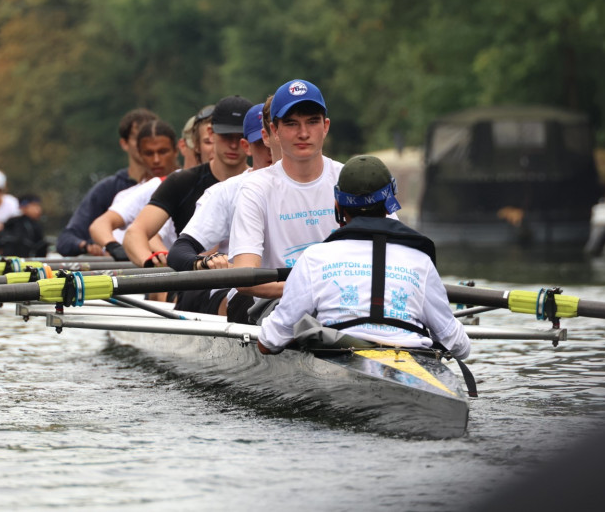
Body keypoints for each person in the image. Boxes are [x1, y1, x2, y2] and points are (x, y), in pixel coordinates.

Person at [257, 155, 471, 360]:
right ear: (389, 204)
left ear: (338, 207)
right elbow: (459, 347)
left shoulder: (314, 258)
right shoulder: (420, 261)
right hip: (412, 357)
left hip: (337, 357)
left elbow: (268, 343)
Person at [227, 79, 344, 320]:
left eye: (312, 122)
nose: (303, 133)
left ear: (326, 126)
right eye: (291, 124)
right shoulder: (256, 188)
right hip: (279, 304)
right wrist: (313, 292)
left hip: (347, 300)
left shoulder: (347, 179)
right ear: (275, 131)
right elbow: (243, 277)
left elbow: (395, 255)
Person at [167, 101, 275, 314]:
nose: (270, 150)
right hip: (232, 288)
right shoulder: (225, 192)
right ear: (249, 147)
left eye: (272, 140)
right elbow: (179, 253)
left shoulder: (326, 181)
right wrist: (205, 263)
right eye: (261, 142)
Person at [123, 96, 253, 268]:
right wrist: (150, 264)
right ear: (211, 133)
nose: (234, 145)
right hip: (193, 281)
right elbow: (135, 233)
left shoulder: (262, 182)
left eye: (241, 137)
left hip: (248, 284)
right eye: (227, 136)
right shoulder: (181, 181)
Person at [55, 108, 158, 257]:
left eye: (150, 139)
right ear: (124, 143)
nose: (146, 146)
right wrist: (87, 246)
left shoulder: (176, 183)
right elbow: (66, 240)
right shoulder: (107, 189)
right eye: (139, 139)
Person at [88, 119, 181, 261]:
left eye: (163, 152)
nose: (156, 160)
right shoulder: (125, 196)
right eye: (149, 153)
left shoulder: (193, 184)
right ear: (140, 155)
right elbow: (99, 226)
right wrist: (114, 248)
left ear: (176, 151)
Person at [0, 194, 49, 258]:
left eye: (38, 206)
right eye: (34, 206)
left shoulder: (35, 226)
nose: (38, 209)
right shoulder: (12, 223)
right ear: (23, 207)